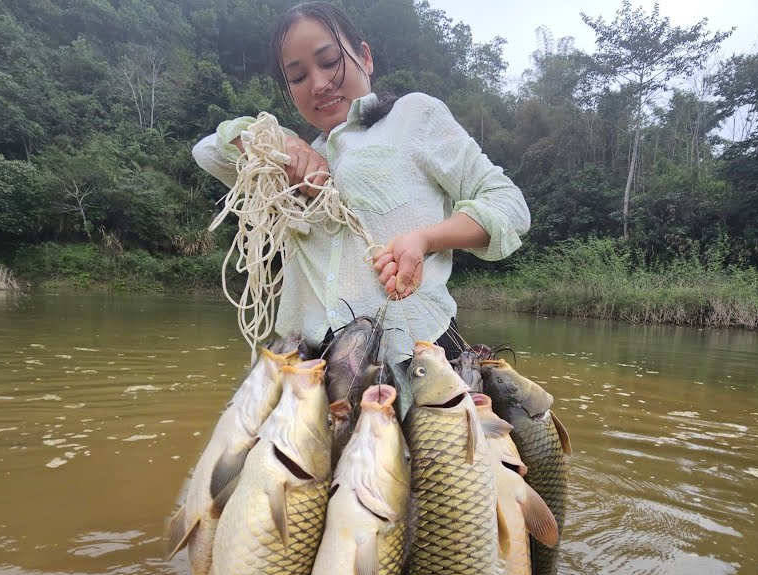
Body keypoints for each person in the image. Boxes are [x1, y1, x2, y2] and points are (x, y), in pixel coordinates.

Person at [192, 1, 529, 363]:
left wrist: (426, 239)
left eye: (329, 61)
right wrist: (282, 143)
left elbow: (508, 205)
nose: (319, 84)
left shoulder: (413, 116)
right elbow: (208, 151)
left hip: (416, 358)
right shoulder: (285, 162)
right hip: (308, 367)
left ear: (364, 58)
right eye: (298, 77)